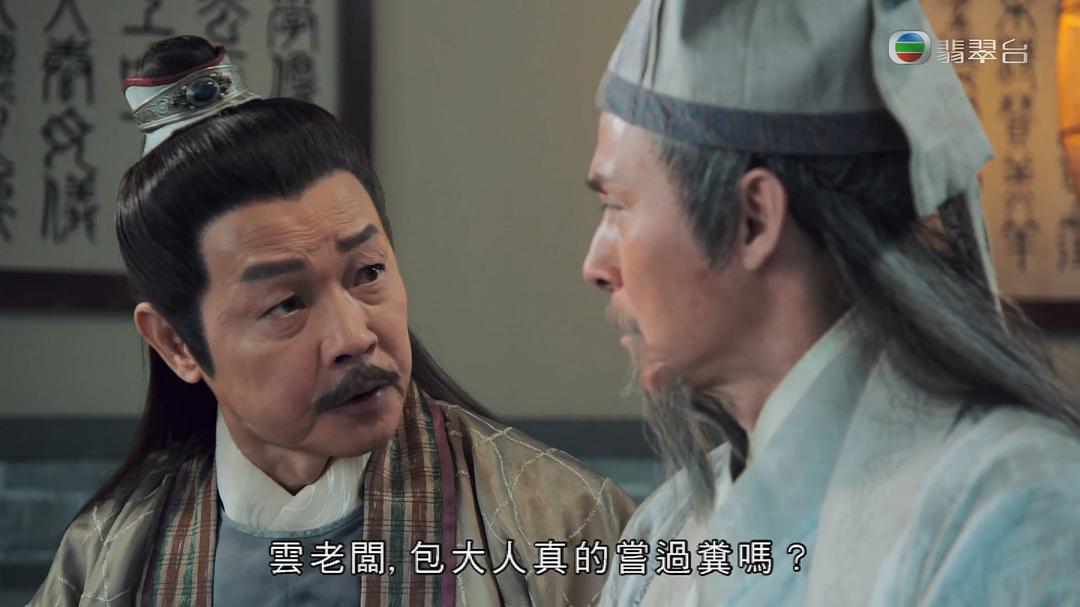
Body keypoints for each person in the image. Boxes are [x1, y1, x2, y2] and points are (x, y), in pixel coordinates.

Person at [32, 35, 634, 607]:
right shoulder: (106, 557)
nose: (354, 336)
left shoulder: (562, 524)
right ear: (177, 343)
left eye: (368, 272)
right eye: (286, 304)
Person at [581, 1, 1080, 605]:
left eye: (617, 206)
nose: (595, 265)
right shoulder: (670, 524)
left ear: (753, 218)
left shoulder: (1015, 506)